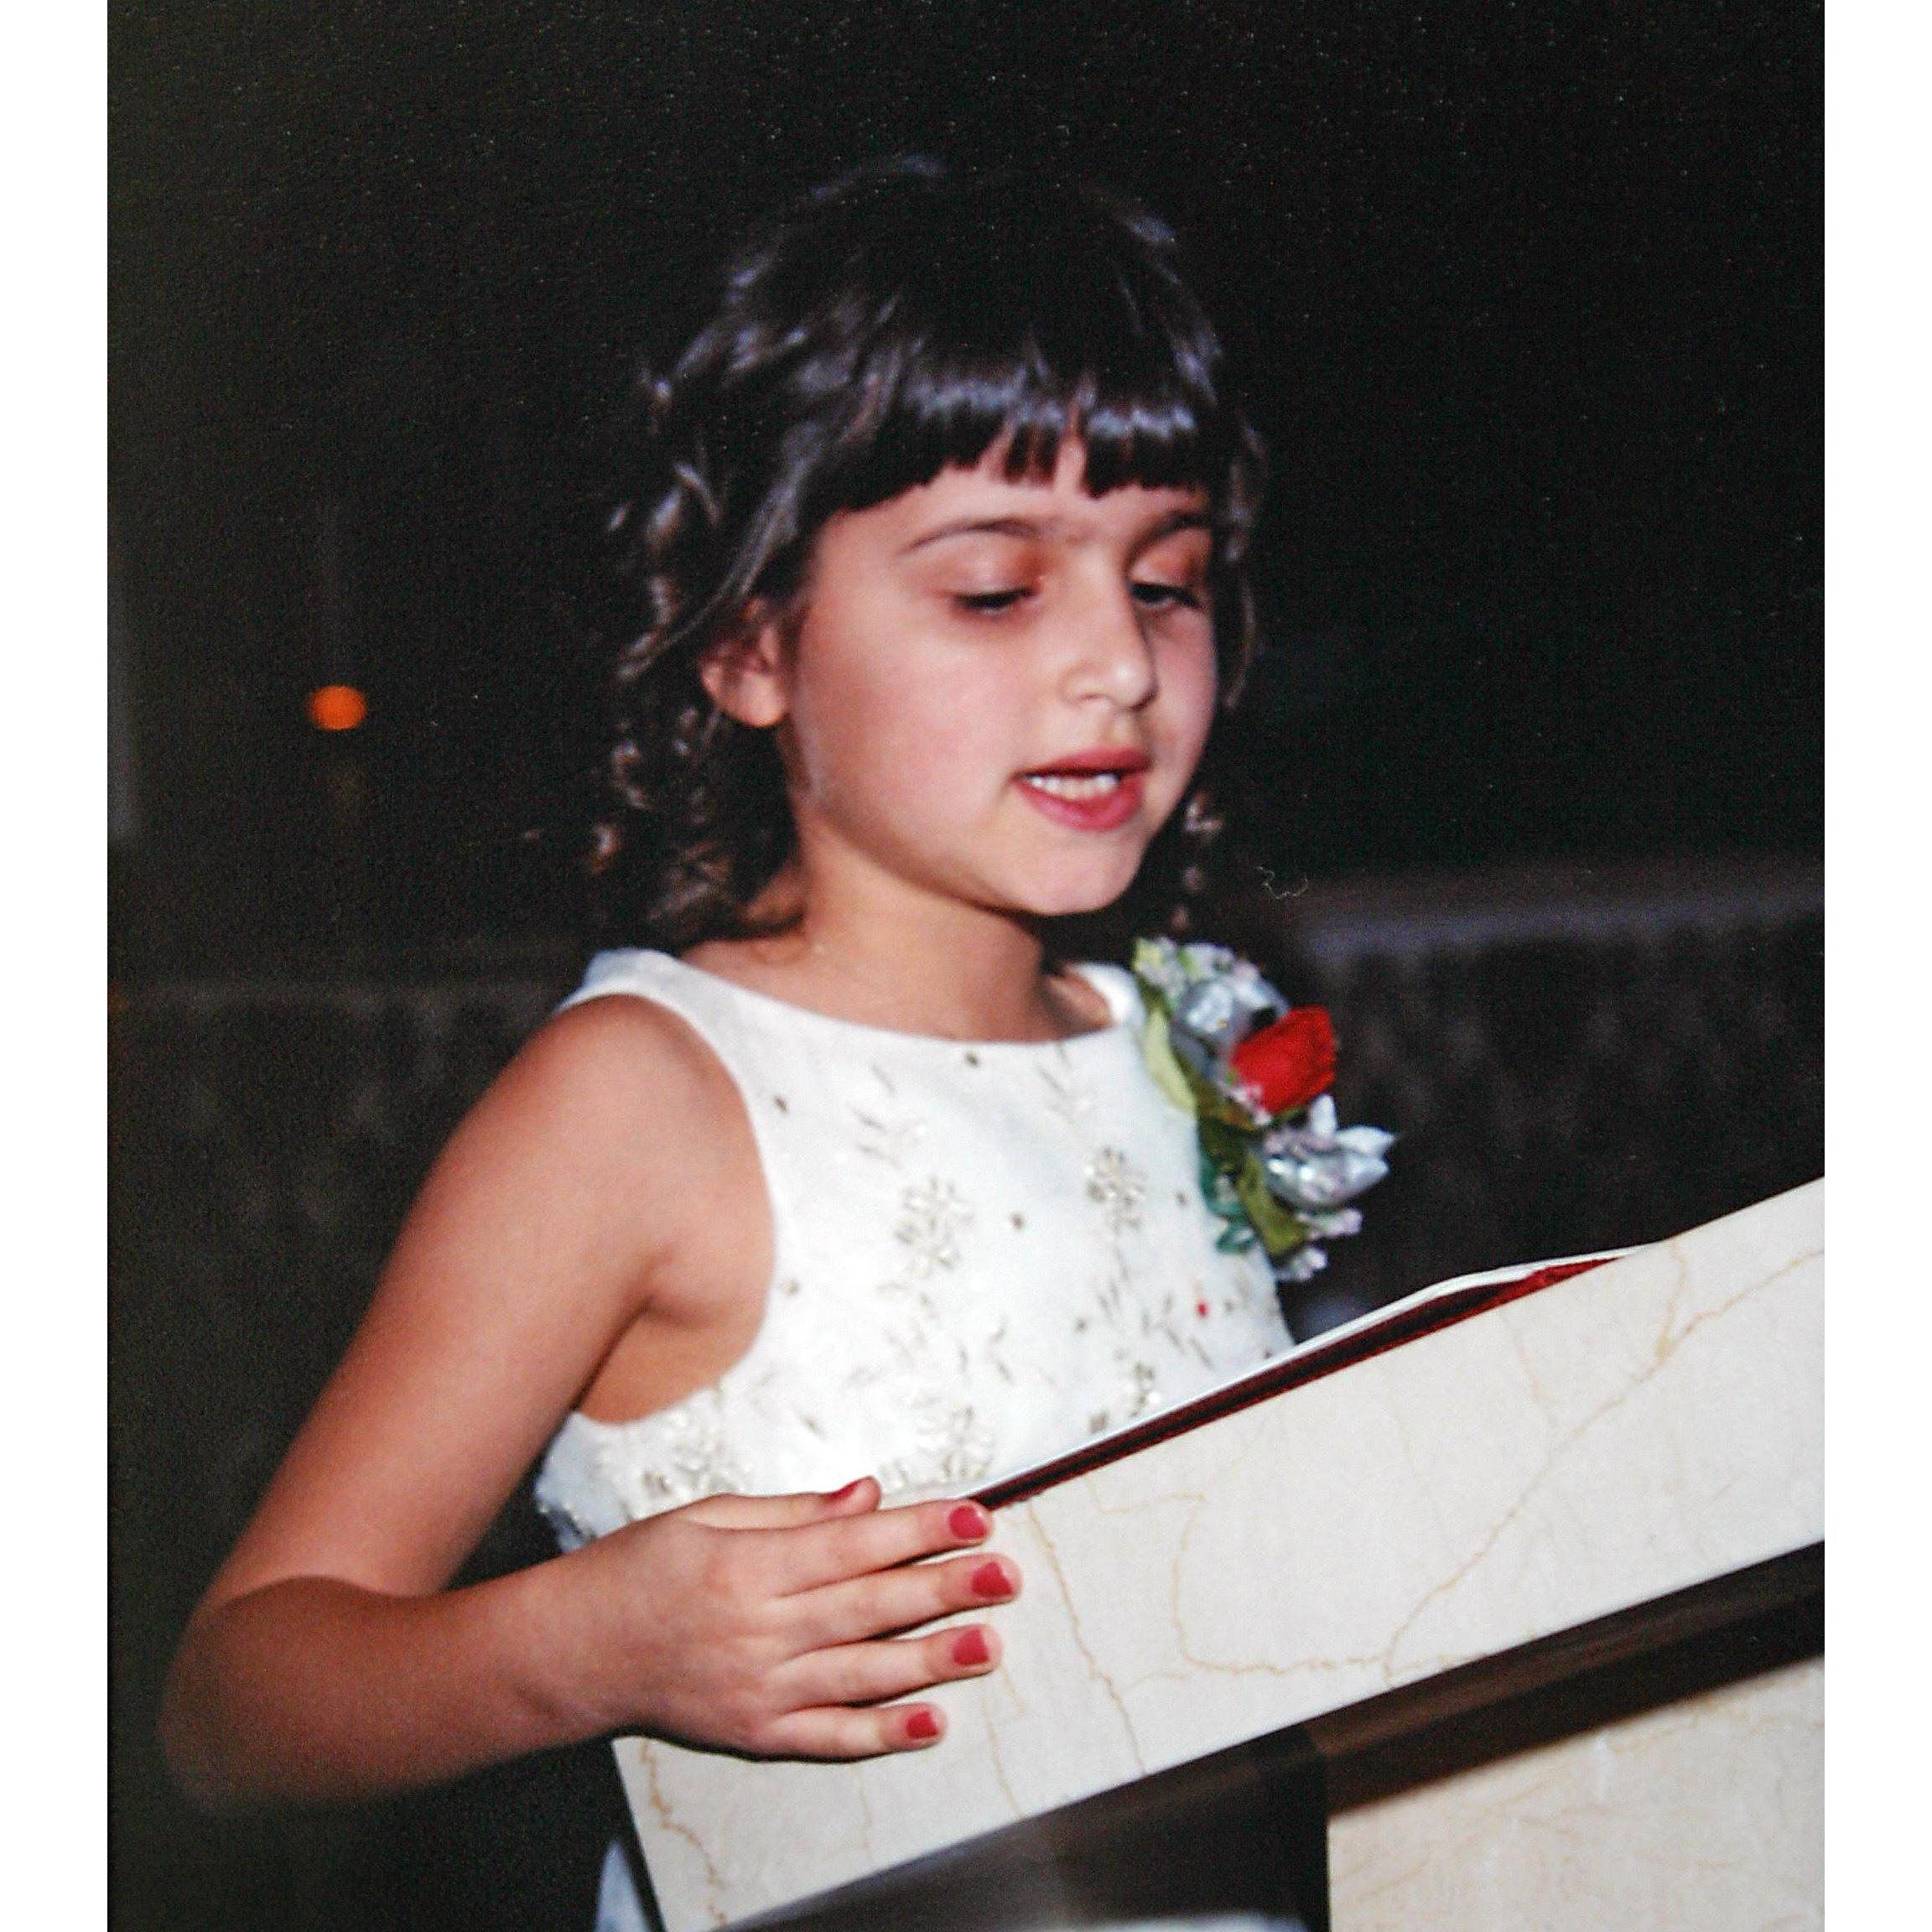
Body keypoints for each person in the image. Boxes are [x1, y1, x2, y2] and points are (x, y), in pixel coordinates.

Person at [162, 158, 1306, 1930]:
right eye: (998, 592)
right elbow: (236, 1710)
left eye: (1168, 583)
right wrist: (585, 1647)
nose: (1121, 671)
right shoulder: (644, 1096)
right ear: (751, 642)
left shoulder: (1166, 1031)